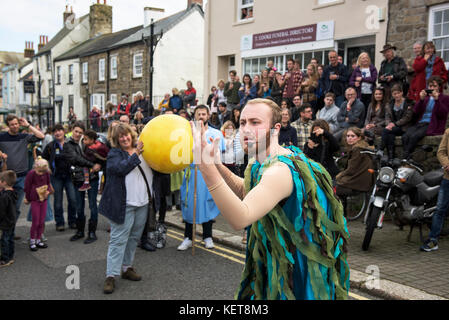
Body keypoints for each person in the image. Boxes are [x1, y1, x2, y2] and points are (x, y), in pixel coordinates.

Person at [190, 98, 349, 299]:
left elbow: (240, 217)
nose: (245, 129)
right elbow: (246, 191)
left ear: (275, 129)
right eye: (242, 123)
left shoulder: (279, 171)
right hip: (276, 262)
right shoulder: (258, 164)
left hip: (295, 275)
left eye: (255, 122)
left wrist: (205, 168)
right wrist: (216, 164)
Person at [99, 123, 152, 294]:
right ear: (116, 139)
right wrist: (136, 153)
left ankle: (127, 267)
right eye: (120, 136)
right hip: (124, 204)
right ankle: (111, 276)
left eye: (126, 134)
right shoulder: (115, 154)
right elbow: (120, 169)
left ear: (131, 134)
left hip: (142, 202)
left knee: (133, 238)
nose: (124, 138)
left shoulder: (146, 150)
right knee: (118, 240)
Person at [178, 105, 225, 251]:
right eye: (199, 114)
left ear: (208, 115)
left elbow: (219, 155)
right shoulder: (187, 132)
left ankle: (207, 236)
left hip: (208, 174)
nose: (201, 116)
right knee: (189, 204)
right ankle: (188, 237)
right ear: (194, 115)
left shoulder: (216, 133)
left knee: (207, 203)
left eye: (204, 114)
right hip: (191, 172)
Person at [0, 115, 44, 234]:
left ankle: (10, 232)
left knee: (16, 208)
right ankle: (6, 232)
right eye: (12, 124)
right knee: (4, 207)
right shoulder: (2, 137)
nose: (15, 126)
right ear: (8, 126)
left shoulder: (24, 137)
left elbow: (41, 136)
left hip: (21, 177)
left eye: (16, 124)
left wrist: (28, 125)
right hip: (6, 178)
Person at [63, 122, 102, 244]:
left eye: (80, 132)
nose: (78, 134)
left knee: (92, 205)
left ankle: (92, 232)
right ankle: (80, 231)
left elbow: (100, 154)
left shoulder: (88, 142)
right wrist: (92, 165)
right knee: (79, 206)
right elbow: (75, 159)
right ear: (72, 130)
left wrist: (99, 164)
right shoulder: (68, 144)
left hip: (93, 178)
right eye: (76, 131)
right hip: (78, 178)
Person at [402, 76, 449, 159]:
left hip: (432, 124)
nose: (432, 88)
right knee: (405, 136)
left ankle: (406, 158)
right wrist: (421, 100)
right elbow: (416, 111)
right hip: (420, 123)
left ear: (439, 87)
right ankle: (407, 157)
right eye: (430, 86)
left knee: (414, 136)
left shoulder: (444, 98)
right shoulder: (426, 98)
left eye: (434, 86)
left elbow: (442, 114)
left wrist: (437, 100)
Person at [42, 124, 77, 231]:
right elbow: (43, 159)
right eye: (55, 131)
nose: (57, 133)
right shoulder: (50, 146)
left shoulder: (71, 144)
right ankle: (60, 222)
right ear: (53, 134)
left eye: (59, 131)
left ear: (64, 131)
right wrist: (47, 167)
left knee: (73, 199)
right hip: (56, 176)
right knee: (58, 201)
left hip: (70, 176)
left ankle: (72, 221)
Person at [420, 128, 449, 252]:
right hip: (448, 178)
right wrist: (447, 164)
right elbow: (441, 152)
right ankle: (433, 240)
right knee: (440, 209)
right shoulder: (448, 132)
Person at [335, 127, 374, 214]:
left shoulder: (357, 149)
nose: (349, 138)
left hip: (358, 182)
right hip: (362, 180)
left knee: (335, 189)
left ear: (359, 138)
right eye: (348, 136)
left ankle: (341, 214)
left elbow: (351, 169)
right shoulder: (362, 147)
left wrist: (339, 176)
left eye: (353, 136)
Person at [24, 158, 53, 251]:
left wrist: (48, 191)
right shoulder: (31, 173)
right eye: (39, 171)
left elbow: (48, 184)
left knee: (41, 221)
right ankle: (32, 241)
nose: (40, 173)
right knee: (35, 222)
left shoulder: (47, 173)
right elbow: (27, 186)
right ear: (35, 167)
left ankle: (38, 240)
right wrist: (28, 198)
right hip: (34, 200)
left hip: (43, 199)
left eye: (43, 172)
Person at [380, 84, 415, 160]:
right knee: (390, 135)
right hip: (393, 127)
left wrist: (394, 124)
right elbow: (387, 117)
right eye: (394, 94)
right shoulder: (390, 104)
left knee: (386, 131)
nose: (396, 95)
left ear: (402, 92)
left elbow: (407, 118)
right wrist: (389, 124)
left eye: (398, 93)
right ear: (392, 94)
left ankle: (381, 149)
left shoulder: (408, 103)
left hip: (404, 127)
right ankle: (391, 156)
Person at [0, 170, 17, 267]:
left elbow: (1, 211)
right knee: (10, 238)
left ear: (4, 183)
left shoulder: (4, 197)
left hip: (5, 222)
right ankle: (11, 256)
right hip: (12, 220)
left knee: (4, 239)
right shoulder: (13, 193)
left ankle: (5, 259)